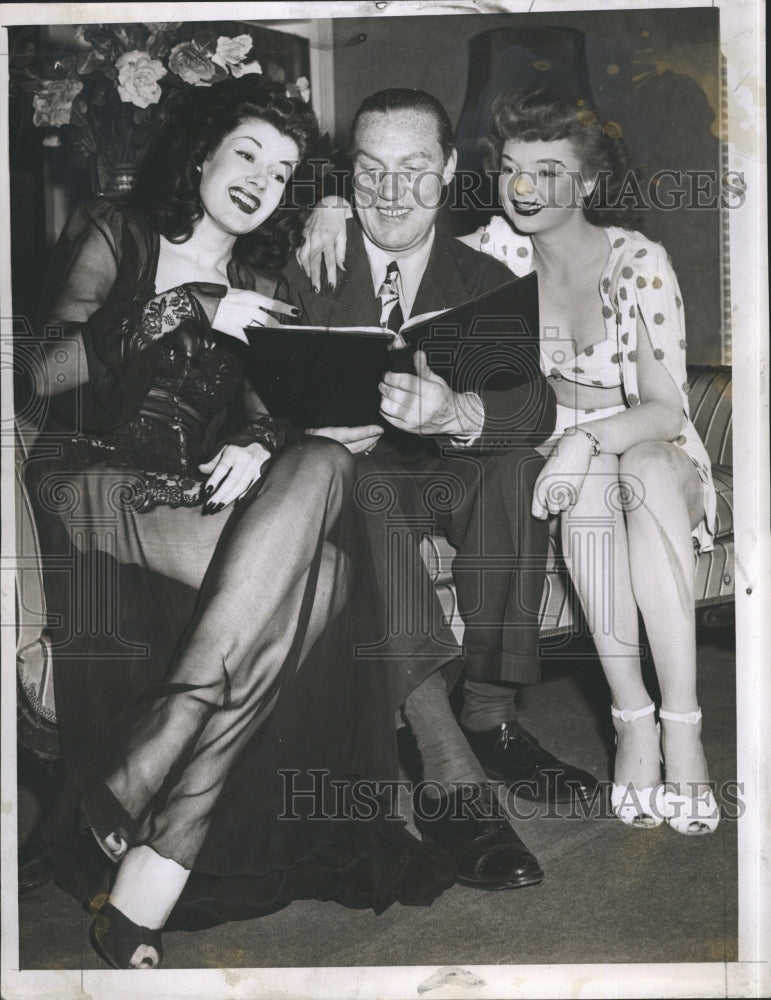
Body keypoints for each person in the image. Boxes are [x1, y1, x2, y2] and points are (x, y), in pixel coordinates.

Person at [31, 77, 454, 971]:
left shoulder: (265, 279)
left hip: (187, 487)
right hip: (93, 477)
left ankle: (150, 848)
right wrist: (188, 305)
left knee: (330, 534)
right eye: (249, 153)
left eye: (285, 170)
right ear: (204, 152)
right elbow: (44, 375)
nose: (262, 178)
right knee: (322, 569)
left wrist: (262, 448)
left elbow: (268, 409)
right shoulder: (121, 232)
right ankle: (160, 787)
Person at [300, 85, 720, 837]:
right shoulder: (496, 249)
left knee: (619, 474)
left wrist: (574, 436)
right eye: (514, 172)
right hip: (533, 461)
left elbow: (658, 408)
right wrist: (330, 203)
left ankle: (676, 726)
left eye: (549, 173)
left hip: (636, 443)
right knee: (564, 482)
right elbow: (391, 210)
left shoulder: (636, 262)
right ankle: (629, 722)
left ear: (586, 182)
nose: (526, 189)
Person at [283, 87, 600, 892]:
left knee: (516, 465)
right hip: (361, 481)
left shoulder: (481, 274)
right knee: (362, 486)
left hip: (449, 473)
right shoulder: (308, 262)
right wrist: (306, 430)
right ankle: (447, 768)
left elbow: (530, 405)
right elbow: (252, 392)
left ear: (451, 171)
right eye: (370, 173)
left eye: (415, 171)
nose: (391, 196)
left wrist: (459, 409)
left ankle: (490, 717)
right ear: (346, 175)